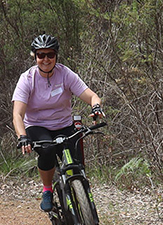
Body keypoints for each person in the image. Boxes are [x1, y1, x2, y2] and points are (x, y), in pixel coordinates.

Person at [11, 34, 103, 211]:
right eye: (41, 55)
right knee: (47, 150)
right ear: (35, 57)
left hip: (64, 125)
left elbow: (91, 96)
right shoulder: (27, 79)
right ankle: (47, 190)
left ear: (56, 56)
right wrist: (22, 136)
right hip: (37, 126)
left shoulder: (65, 74)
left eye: (50, 55)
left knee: (77, 168)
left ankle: (90, 217)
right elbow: (17, 114)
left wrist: (96, 107)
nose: (46, 59)